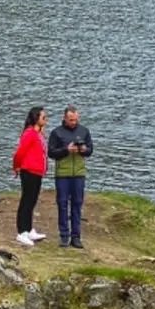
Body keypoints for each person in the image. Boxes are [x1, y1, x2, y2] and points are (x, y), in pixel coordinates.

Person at [47, 105, 93, 248]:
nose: (74, 122)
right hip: (62, 174)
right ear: (65, 118)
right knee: (62, 204)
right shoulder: (57, 133)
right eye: (71, 120)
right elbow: (51, 153)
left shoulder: (84, 131)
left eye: (76, 120)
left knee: (77, 204)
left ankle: (76, 236)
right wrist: (66, 150)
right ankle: (64, 235)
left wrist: (83, 150)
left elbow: (90, 150)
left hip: (79, 173)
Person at [11, 106, 48, 246]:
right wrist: (16, 166)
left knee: (32, 200)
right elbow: (20, 152)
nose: (46, 119)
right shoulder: (30, 133)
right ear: (36, 118)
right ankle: (22, 232)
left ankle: (29, 228)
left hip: (37, 171)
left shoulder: (38, 133)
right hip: (29, 171)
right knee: (26, 201)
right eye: (43, 117)